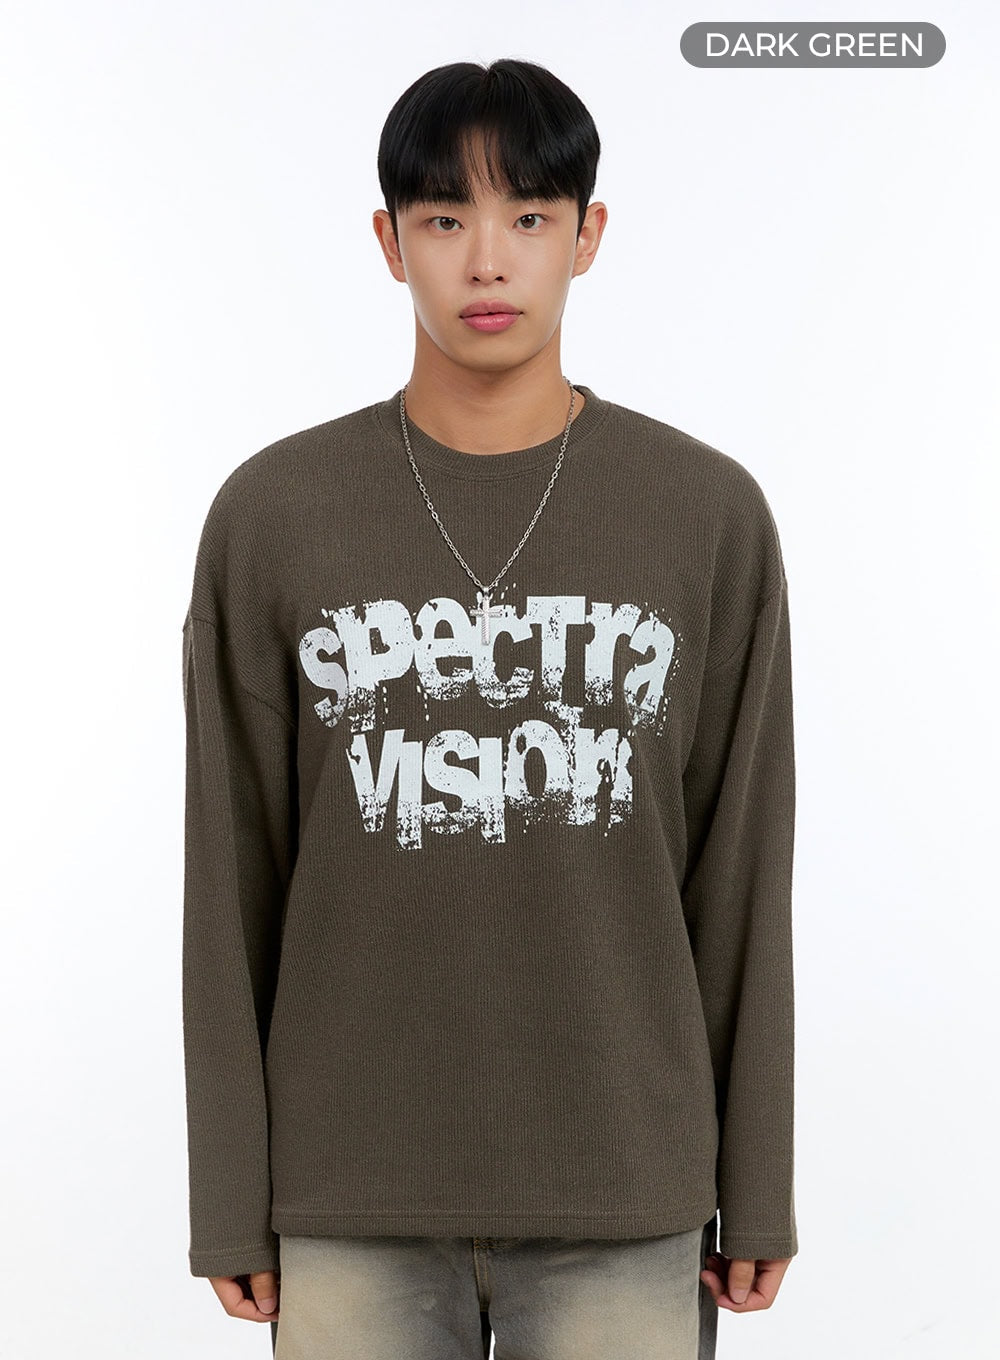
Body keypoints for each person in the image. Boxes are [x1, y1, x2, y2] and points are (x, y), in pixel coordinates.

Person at [180, 57, 798, 1360]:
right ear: (388, 242)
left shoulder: (704, 515)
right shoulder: (274, 517)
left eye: (528, 215)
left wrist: (759, 1181)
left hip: (626, 1190)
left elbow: (741, 876)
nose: (486, 260)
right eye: (444, 218)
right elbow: (230, 880)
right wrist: (230, 1199)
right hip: (347, 1196)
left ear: (589, 234)